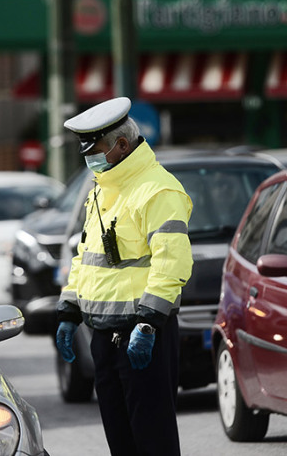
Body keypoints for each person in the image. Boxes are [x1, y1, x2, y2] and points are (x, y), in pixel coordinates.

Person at [55, 96, 193, 456]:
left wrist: (148, 323)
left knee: (153, 439)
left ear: (120, 145)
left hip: (142, 334)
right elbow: (87, 256)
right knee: (121, 441)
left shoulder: (157, 189)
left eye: (95, 149)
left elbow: (172, 263)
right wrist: (70, 310)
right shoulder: (103, 187)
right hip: (103, 335)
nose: (89, 158)